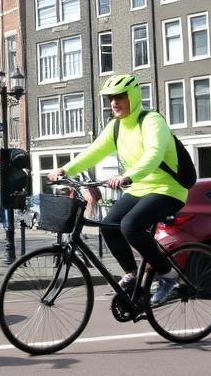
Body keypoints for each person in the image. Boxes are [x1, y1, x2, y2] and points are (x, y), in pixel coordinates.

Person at [48, 74, 188, 306]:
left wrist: (127, 176)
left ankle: (169, 277)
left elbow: (153, 154)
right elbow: (94, 151)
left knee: (130, 225)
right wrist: (65, 169)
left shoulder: (152, 121)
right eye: (111, 98)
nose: (114, 102)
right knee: (110, 226)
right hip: (140, 188)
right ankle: (132, 275)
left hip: (167, 189)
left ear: (133, 96)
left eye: (120, 97)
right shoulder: (116, 127)